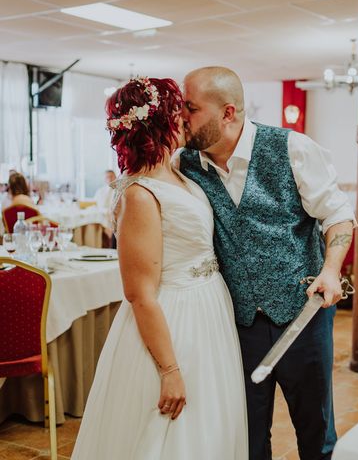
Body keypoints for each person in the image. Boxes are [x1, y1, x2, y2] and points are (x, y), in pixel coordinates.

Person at [177, 66, 355, 460]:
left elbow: (338, 214)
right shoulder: (184, 163)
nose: (181, 117)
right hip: (237, 324)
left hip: (301, 317)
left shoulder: (293, 148)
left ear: (228, 112)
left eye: (190, 108)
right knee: (247, 433)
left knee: (316, 429)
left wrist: (331, 270)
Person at [72, 77, 248, 459]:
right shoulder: (140, 193)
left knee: (212, 426)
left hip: (209, 311)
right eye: (178, 109)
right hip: (175, 317)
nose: (185, 116)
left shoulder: (180, 174)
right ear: (158, 121)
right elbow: (139, 293)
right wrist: (169, 369)